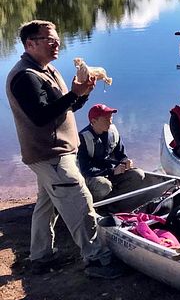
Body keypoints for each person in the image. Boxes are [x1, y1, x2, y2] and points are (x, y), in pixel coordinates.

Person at [5, 20, 122, 278]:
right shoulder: (26, 77)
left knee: (46, 205)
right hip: (51, 155)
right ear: (30, 43)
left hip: (56, 153)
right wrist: (74, 94)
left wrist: (82, 94)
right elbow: (40, 116)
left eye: (57, 38)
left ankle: (40, 256)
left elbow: (67, 108)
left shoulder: (48, 70)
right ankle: (97, 260)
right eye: (49, 39)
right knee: (80, 202)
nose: (56, 43)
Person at [78, 104, 146, 202]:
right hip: (93, 176)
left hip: (111, 172)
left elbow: (121, 154)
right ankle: (95, 205)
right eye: (106, 119)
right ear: (94, 121)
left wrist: (125, 161)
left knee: (138, 174)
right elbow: (85, 169)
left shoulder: (112, 132)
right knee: (104, 186)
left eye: (111, 118)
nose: (110, 121)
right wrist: (112, 171)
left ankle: (112, 203)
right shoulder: (83, 138)